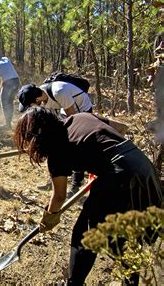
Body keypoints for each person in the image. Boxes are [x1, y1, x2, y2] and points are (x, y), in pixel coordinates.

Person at [13, 107, 163, 285]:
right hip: (144, 167)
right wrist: (101, 161)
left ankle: (74, 283)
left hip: (119, 175)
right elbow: (122, 128)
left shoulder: (57, 151)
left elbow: (59, 196)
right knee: (129, 233)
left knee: (85, 234)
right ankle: (130, 281)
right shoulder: (80, 117)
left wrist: (49, 218)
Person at [18, 82, 92, 192]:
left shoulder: (59, 92)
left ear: (37, 100)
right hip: (64, 108)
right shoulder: (41, 99)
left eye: (30, 105)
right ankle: (54, 179)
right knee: (53, 142)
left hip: (81, 109)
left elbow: (73, 120)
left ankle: (76, 183)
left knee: (76, 144)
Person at [0, 51, 20, 130]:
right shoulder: (5, 59)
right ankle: (9, 123)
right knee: (10, 102)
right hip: (16, 81)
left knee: (4, 102)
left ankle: (7, 125)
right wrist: (3, 83)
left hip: (9, 83)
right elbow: (7, 72)